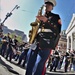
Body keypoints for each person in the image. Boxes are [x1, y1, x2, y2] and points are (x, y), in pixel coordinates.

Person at [25, 0, 62, 75]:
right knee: (29, 62)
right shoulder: (41, 16)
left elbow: (57, 30)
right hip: (36, 41)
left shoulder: (56, 17)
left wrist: (47, 21)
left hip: (47, 42)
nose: (46, 6)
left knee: (39, 64)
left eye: (49, 4)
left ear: (52, 8)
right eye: (45, 4)